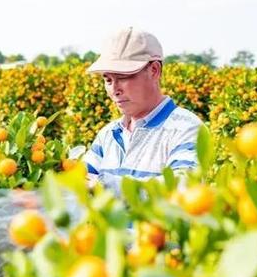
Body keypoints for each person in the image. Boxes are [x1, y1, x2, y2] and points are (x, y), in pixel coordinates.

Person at [82, 27, 203, 195]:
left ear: (154, 70)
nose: (114, 89)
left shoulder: (187, 128)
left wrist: (105, 186)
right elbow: (80, 181)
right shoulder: (109, 134)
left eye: (123, 78)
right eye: (108, 80)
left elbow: (182, 189)